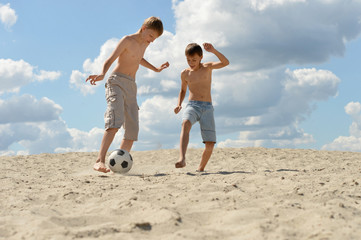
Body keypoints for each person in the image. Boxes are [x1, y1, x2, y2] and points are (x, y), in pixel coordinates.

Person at [86, 17, 169, 173]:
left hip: (131, 86)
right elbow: (110, 59)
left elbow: (138, 59)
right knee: (115, 120)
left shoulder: (144, 43)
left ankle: (117, 165)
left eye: (155, 39)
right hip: (116, 82)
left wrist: (156, 69)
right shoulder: (127, 40)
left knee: (132, 130)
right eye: (151, 36)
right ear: (144, 28)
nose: (152, 41)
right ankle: (99, 161)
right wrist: (102, 73)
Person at [174, 43, 229, 172]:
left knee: (210, 144)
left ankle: (201, 168)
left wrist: (214, 50)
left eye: (194, 60)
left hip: (207, 108)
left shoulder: (207, 67)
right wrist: (179, 104)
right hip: (192, 105)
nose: (191, 63)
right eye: (188, 60)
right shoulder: (185, 73)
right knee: (185, 123)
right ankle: (182, 158)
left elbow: (225, 62)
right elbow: (182, 90)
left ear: (201, 57)